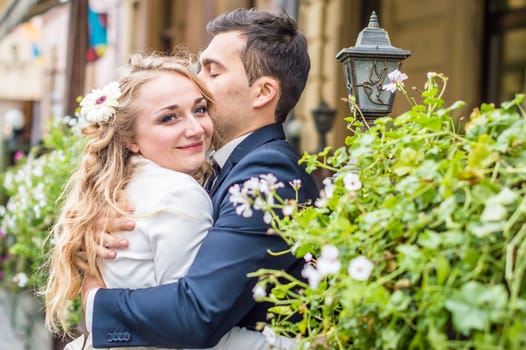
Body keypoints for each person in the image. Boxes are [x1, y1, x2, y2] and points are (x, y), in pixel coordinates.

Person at [83, 8, 319, 348]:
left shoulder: (269, 174)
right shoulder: (219, 165)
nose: (197, 80)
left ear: (263, 92)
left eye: (212, 70)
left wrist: (95, 300)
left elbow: (198, 312)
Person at [44, 52, 290, 349]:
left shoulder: (123, 186)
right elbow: (189, 330)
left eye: (199, 110)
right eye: (169, 118)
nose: (196, 129)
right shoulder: (178, 193)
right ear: (130, 139)